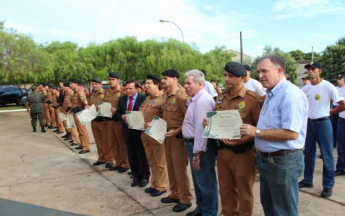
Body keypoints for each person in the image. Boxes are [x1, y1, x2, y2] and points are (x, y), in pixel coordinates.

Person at [240, 55, 308, 215]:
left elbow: (291, 133)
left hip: (282, 160)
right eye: (258, 72)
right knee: (270, 207)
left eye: (265, 71)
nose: (260, 76)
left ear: (279, 71)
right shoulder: (271, 94)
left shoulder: (290, 94)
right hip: (268, 160)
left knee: (283, 211)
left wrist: (255, 131)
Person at [205, 62, 262, 216]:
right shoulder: (220, 98)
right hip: (223, 152)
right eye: (225, 75)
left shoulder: (253, 100)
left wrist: (242, 140)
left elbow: (258, 130)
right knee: (226, 191)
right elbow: (219, 122)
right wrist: (210, 124)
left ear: (242, 78)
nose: (226, 79)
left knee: (244, 194)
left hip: (243, 154)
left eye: (231, 76)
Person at [299, 62, 345, 198]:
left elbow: (342, 105)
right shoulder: (305, 89)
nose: (310, 71)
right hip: (309, 123)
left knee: (327, 155)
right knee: (309, 153)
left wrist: (332, 112)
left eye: (313, 69)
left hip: (323, 123)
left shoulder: (328, 86)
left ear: (320, 71)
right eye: (308, 69)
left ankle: (328, 185)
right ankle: (308, 180)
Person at [182, 70, 218, 216]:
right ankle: (201, 209)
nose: (185, 86)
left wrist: (197, 154)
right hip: (194, 145)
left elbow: (201, 130)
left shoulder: (203, 100)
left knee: (206, 182)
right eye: (184, 83)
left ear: (200, 84)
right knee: (199, 182)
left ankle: (209, 212)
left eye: (188, 83)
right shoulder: (195, 99)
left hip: (201, 147)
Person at [160, 69, 193, 213]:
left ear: (174, 79)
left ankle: (185, 198)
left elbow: (189, 119)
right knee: (171, 166)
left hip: (178, 138)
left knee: (180, 169)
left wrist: (178, 130)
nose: (162, 81)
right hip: (167, 136)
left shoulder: (181, 96)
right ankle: (175, 193)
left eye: (165, 78)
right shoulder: (165, 96)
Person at [114, 80, 150, 187]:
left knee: (142, 155)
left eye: (130, 89)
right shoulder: (122, 99)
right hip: (127, 132)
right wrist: (122, 117)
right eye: (126, 89)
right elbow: (117, 113)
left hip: (139, 132)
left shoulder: (144, 99)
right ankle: (136, 176)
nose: (128, 91)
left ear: (137, 88)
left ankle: (145, 176)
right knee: (131, 155)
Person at [139, 75, 169, 197]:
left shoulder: (163, 98)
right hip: (145, 134)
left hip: (157, 134)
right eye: (145, 83)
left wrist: (153, 124)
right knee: (152, 161)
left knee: (160, 162)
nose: (145, 86)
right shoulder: (147, 98)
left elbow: (166, 117)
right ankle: (154, 183)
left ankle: (161, 186)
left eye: (148, 83)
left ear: (157, 84)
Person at [105, 72, 129, 171]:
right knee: (113, 142)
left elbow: (127, 106)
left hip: (119, 121)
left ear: (118, 80)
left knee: (121, 142)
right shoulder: (107, 91)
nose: (111, 81)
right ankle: (117, 161)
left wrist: (117, 111)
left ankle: (125, 163)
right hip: (109, 120)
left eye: (113, 79)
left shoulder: (123, 91)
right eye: (110, 79)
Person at [89, 78, 113, 167]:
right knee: (98, 141)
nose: (94, 86)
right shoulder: (93, 94)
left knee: (106, 141)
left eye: (96, 84)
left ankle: (109, 159)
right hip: (94, 120)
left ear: (100, 84)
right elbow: (91, 104)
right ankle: (101, 158)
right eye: (93, 84)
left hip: (102, 120)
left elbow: (108, 106)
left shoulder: (105, 93)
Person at [69, 79, 91, 154]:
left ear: (75, 84)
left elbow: (84, 101)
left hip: (80, 113)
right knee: (79, 130)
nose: (70, 85)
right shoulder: (75, 92)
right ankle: (82, 144)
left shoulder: (80, 91)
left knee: (82, 130)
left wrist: (86, 106)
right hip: (76, 112)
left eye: (71, 84)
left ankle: (86, 147)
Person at [62, 81, 80, 146]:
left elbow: (72, 102)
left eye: (64, 86)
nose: (63, 88)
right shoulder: (67, 93)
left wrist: (69, 109)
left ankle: (76, 140)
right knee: (69, 125)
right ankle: (72, 137)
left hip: (70, 110)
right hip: (67, 110)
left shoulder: (72, 93)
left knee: (72, 126)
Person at [336, 75, 345, 176]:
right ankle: (341, 168)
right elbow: (337, 104)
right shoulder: (340, 90)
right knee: (341, 146)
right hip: (342, 120)